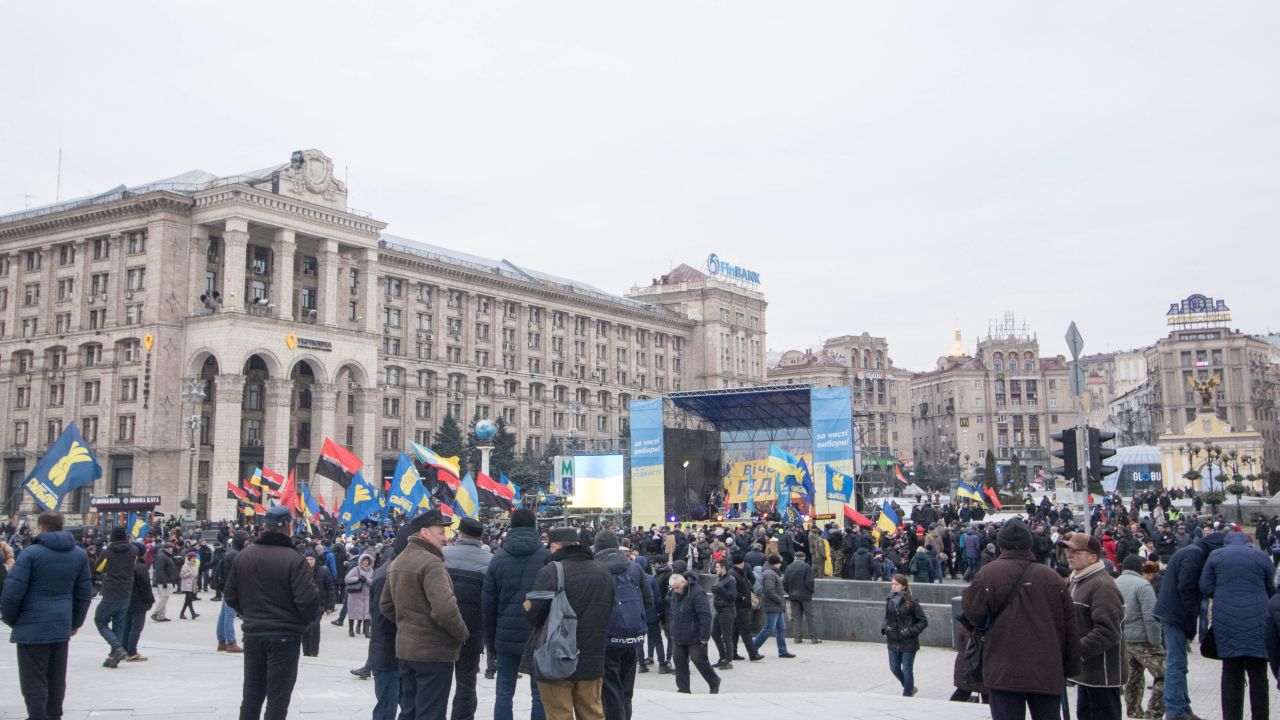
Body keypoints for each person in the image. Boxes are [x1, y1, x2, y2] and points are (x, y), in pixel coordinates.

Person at [962, 519, 1080, 720]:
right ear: (1029, 545)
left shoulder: (988, 574)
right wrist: (1069, 668)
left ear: (1001, 546)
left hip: (1003, 670)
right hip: (1047, 670)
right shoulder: (1052, 577)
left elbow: (973, 614)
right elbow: (1070, 626)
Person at [224, 506, 321, 720]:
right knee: (278, 699)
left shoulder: (244, 556)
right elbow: (308, 601)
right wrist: (300, 622)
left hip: (253, 633)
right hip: (285, 635)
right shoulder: (294, 558)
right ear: (288, 526)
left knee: (251, 696)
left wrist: (248, 613)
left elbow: (230, 595)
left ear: (265, 526)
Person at [0, 511, 92, 720]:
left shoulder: (31, 553)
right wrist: (75, 622)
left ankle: (38, 716)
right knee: (57, 676)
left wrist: (11, 619)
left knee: (33, 678)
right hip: (61, 623)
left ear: (40, 527)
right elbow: (84, 593)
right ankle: (54, 715)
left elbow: (12, 592)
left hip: (31, 625)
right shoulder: (79, 554)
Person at [382, 509, 469, 720]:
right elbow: (444, 609)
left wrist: (408, 623)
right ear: (425, 533)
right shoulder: (431, 563)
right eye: (441, 532)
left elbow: (385, 605)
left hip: (406, 650)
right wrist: (462, 633)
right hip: (434, 652)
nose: (445, 538)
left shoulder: (397, 562)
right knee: (431, 712)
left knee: (409, 711)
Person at [523, 526, 614, 720]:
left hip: (556, 658)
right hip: (592, 658)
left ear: (555, 546)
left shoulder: (551, 571)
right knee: (593, 714)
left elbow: (534, 615)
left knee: (559, 715)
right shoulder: (603, 572)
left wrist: (526, 606)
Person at [1199, 530, 1276, 720]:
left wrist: (1223, 594)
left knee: (1231, 671)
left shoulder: (1215, 556)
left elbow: (1205, 586)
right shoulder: (1261, 556)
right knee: (1259, 675)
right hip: (1258, 619)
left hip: (1226, 620)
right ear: (1248, 542)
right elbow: (1271, 588)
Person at [482, 508, 551, 720]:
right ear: (534, 525)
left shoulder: (498, 559)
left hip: (506, 635)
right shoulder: (546, 558)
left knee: (504, 691)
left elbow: (488, 605)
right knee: (539, 693)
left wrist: (490, 642)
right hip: (538, 635)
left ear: (511, 526)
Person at [1153, 525, 1225, 720]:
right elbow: (1186, 586)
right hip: (1175, 614)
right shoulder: (1195, 554)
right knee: (1176, 663)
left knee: (1179, 662)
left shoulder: (1193, 551)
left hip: (1172, 612)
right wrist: (1190, 614)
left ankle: (1182, 707)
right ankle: (1175, 710)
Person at [1060, 532, 1126, 720]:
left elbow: (1108, 632)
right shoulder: (1077, 580)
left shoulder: (1102, 585)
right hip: (1086, 673)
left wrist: (1075, 651)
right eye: (1068, 551)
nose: (1069, 555)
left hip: (1102, 676)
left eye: (1076, 551)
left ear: (1093, 557)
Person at [594, 529, 653, 720]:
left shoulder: (595, 568)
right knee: (627, 690)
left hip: (607, 637)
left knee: (610, 689)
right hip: (632, 636)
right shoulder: (634, 568)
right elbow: (649, 601)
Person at [442, 516, 492, 720]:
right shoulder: (490, 561)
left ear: (460, 533)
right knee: (467, 681)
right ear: (481, 537)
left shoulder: (442, 555)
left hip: (442, 628)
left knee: (439, 681)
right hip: (473, 630)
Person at [367, 527, 409, 720]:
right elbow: (382, 620)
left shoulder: (394, 570)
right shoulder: (387, 575)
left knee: (405, 707)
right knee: (386, 709)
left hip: (395, 653)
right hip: (388, 654)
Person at [1114, 555, 1163, 719]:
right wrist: (1156, 641)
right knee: (1166, 675)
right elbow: (1150, 617)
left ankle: (1134, 711)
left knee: (1133, 676)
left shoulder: (1114, 584)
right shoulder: (1143, 585)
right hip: (1143, 640)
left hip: (1123, 638)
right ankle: (1153, 713)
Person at [667, 569, 720, 694]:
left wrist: (704, 637)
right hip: (678, 634)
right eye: (673, 589)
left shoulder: (697, 592)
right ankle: (683, 689)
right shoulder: (675, 593)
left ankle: (714, 681)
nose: (675, 591)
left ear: (683, 582)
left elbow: (705, 615)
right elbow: (673, 612)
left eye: (677, 588)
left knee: (699, 660)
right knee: (679, 660)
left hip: (695, 635)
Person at [94, 526, 139, 668]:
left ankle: (118, 649)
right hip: (126, 591)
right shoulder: (134, 550)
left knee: (100, 620)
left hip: (111, 590)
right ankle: (114, 657)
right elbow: (133, 565)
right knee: (119, 625)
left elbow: (98, 568)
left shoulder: (107, 552)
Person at [881, 573, 927, 696]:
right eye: (892, 584)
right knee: (894, 669)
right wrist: (885, 628)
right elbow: (887, 617)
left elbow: (923, 621)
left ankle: (907, 695)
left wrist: (910, 631)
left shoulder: (911, 602)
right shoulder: (889, 599)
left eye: (896, 584)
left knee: (907, 670)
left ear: (903, 586)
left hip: (908, 642)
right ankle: (910, 687)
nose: (893, 586)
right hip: (893, 640)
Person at [751, 554, 795, 658]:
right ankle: (752, 648)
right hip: (773, 605)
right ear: (775, 563)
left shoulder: (772, 572)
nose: (780, 565)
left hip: (776, 605)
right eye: (779, 563)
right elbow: (769, 590)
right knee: (769, 629)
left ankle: (782, 651)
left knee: (781, 628)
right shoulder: (770, 573)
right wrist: (779, 600)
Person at [213, 531, 248, 653]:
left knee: (223, 614)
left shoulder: (229, 551)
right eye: (246, 540)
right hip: (231, 588)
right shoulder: (235, 554)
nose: (247, 543)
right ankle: (231, 642)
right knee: (229, 615)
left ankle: (221, 641)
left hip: (225, 587)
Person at [120, 546, 155, 662]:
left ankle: (124, 650)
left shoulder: (125, 564)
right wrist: (150, 600)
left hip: (126, 599)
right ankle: (132, 652)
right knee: (136, 628)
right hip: (139, 601)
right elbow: (145, 586)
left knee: (126, 626)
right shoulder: (141, 567)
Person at [728, 553, 763, 662]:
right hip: (740, 606)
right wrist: (742, 597)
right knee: (745, 631)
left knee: (735, 631)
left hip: (740, 606)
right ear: (741, 563)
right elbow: (733, 590)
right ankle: (753, 654)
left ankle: (733, 653)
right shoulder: (734, 573)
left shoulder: (737, 572)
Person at [783, 551, 818, 644]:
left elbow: (784, 583)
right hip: (806, 596)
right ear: (804, 558)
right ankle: (814, 638)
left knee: (796, 617)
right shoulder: (807, 567)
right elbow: (809, 582)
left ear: (795, 558)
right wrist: (811, 591)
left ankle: (797, 638)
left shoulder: (788, 567)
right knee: (810, 617)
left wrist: (790, 592)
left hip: (793, 596)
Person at [710, 559, 737, 669]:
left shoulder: (731, 580)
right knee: (715, 634)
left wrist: (721, 590)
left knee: (727, 636)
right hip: (719, 610)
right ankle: (722, 657)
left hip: (727, 611)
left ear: (723, 568)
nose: (716, 569)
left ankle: (729, 661)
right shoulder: (720, 578)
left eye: (717, 567)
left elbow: (732, 597)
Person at [344, 553, 375, 638]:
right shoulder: (355, 569)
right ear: (361, 561)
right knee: (353, 612)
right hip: (355, 595)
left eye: (367, 560)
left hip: (367, 595)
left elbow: (373, 582)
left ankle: (366, 631)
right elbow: (347, 579)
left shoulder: (371, 571)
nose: (365, 562)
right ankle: (351, 629)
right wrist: (358, 578)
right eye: (364, 560)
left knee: (367, 613)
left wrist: (366, 580)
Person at [150, 542, 179, 622]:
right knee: (164, 597)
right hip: (162, 580)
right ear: (167, 548)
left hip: (164, 579)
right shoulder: (162, 556)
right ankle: (155, 613)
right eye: (170, 548)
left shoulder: (165, 556)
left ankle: (162, 616)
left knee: (163, 597)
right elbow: (159, 570)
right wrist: (164, 581)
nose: (172, 550)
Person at [179, 551, 200, 619]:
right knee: (189, 599)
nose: (194, 559)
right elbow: (182, 575)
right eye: (193, 558)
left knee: (187, 600)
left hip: (192, 585)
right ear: (189, 558)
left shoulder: (195, 565)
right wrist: (189, 573)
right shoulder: (186, 565)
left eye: (195, 558)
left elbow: (195, 574)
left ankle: (182, 614)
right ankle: (193, 613)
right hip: (186, 584)